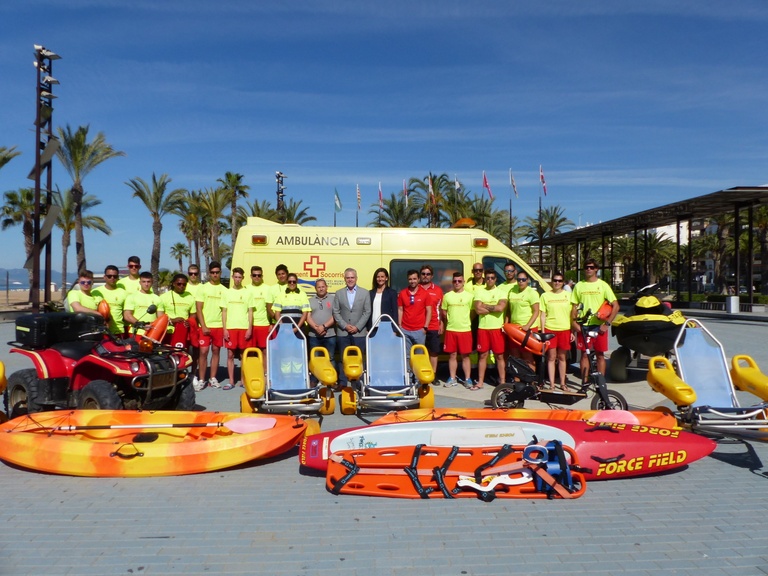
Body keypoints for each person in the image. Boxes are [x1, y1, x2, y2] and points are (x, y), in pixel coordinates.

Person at [571, 258, 619, 380]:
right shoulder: (579, 285)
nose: (589, 269)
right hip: (583, 325)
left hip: (599, 325)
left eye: (592, 267)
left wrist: (607, 324)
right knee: (584, 355)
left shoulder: (603, 285)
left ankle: (601, 382)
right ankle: (584, 382)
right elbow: (574, 306)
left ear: (596, 269)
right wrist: (573, 322)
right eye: (586, 267)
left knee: (600, 355)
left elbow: (616, 306)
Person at [332, 268, 371, 384]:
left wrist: (357, 327)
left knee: (359, 358)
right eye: (347, 277)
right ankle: (343, 382)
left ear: (356, 278)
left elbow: (367, 311)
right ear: (344, 279)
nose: (350, 280)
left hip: (359, 332)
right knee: (344, 358)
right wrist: (344, 325)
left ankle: (359, 382)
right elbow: (336, 311)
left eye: (352, 277)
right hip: (343, 332)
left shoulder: (365, 293)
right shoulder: (339, 293)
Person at [472, 268, 507, 391]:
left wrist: (485, 306)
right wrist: (493, 307)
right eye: (488, 278)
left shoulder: (501, 292)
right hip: (483, 328)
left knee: (499, 356)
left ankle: (502, 382)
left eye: (492, 278)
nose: (490, 280)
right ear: (484, 279)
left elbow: (501, 308)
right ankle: (480, 382)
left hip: (497, 328)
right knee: (483, 355)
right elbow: (477, 309)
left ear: (495, 279)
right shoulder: (479, 292)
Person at [539, 271, 574, 390]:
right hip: (550, 329)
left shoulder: (569, 296)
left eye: (560, 281)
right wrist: (543, 332)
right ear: (552, 282)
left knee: (562, 357)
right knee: (551, 357)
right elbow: (542, 315)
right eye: (555, 280)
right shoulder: (545, 296)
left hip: (565, 329)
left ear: (563, 282)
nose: (557, 283)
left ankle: (563, 383)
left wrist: (572, 332)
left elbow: (572, 315)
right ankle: (552, 384)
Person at [195, 261, 227, 390]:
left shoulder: (224, 290)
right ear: (209, 273)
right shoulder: (202, 288)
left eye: (217, 272)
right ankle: (202, 379)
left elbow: (225, 310)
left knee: (216, 351)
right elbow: (198, 309)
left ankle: (212, 378)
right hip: (205, 326)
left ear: (220, 273)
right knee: (203, 352)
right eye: (212, 272)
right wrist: (203, 325)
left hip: (218, 326)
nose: (215, 274)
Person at [222, 267, 253, 390]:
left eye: (240, 277)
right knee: (230, 355)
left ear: (243, 278)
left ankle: (243, 380)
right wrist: (225, 329)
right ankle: (231, 381)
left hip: (244, 327)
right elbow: (224, 312)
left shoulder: (248, 292)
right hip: (231, 328)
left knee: (243, 355)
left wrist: (249, 328)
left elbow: (250, 312)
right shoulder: (227, 292)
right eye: (236, 277)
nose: (238, 279)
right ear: (232, 277)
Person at [504, 265, 540, 372]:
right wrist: (505, 325)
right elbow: (509, 311)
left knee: (527, 356)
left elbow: (536, 311)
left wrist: (527, 326)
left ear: (527, 280)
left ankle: (531, 382)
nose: (521, 282)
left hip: (527, 329)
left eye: (523, 280)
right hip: (515, 328)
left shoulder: (532, 293)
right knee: (515, 356)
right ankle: (517, 382)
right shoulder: (512, 290)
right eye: (519, 280)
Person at [441, 271, 473, 387]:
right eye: (455, 281)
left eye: (459, 281)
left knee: (465, 356)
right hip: (451, 329)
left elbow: (473, 312)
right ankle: (452, 378)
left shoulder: (470, 296)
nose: (457, 283)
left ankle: (468, 379)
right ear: (452, 282)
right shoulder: (447, 296)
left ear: (463, 282)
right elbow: (443, 311)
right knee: (452, 355)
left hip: (465, 330)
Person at [306, 278, 336, 382]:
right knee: (315, 359)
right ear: (315, 288)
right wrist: (316, 327)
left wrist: (324, 326)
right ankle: (314, 380)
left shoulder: (333, 299)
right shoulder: (310, 300)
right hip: (314, 335)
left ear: (326, 287)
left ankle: (331, 380)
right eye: (319, 287)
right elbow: (307, 316)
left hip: (330, 334)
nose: (321, 289)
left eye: (323, 286)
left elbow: (335, 316)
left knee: (330, 358)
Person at [397, 269, 432, 358]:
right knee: (406, 355)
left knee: (419, 355)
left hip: (419, 330)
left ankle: (417, 372)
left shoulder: (425, 293)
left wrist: (425, 327)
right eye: (410, 279)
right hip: (405, 329)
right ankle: (408, 372)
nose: (412, 281)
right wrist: (399, 325)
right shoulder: (402, 293)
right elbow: (400, 310)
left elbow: (429, 310)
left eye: (414, 279)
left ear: (418, 279)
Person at [159, 273, 196, 349]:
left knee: (183, 356)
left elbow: (193, 314)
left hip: (184, 332)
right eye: (179, 284)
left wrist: (189, 322)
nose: (181, 286)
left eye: (184, 284)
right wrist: (173, 320)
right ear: (173, 284)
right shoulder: (163, 297)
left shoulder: (190, 297)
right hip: (168, 332)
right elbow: (160, 317)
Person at [247, 265, 273, 369]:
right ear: (251, 276)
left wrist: (271, 323)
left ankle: (265, 374)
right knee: (250, 353)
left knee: (264, 351)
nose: (257, 277)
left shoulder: (268, 289)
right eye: (254, 275)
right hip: (250, 326)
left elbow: (270, 308)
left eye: (259, 275)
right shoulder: (246, 289)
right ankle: (250, 374)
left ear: (262, 276)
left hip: (264, 324)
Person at [419, 264, 444, 372]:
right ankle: (420, 373)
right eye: (423, 274)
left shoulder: (438, 290)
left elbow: (441, 308)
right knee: (419, 352)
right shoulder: (415, 288)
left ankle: (433, 374)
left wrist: (441, 323)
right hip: (418, 326)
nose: (425, 276)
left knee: (434, 352)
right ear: (420, 275)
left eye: (428, 274)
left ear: (432, 276)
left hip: (433, 325)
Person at [92, 265, 127, 335]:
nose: (112, 278)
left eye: (115, 276)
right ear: (104, 277)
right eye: (109, 276)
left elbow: (127, 313)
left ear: (118, 278)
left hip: (118, 331)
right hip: (101, 331)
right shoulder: (95, 292)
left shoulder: (124, 293)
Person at [185, 264, 204, 384]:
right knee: (184, 350)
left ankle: (194, 374)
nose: (193, 276)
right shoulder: (183, 286)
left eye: (195, 273)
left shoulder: (202, 287)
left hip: (198, 325)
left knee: (196, 351)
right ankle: (184, 374)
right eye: (191, 273)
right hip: (185, 324)